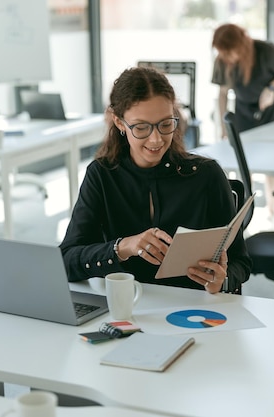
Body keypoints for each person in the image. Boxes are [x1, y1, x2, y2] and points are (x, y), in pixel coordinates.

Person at [60, 66, 252, 294]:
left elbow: (241, 262)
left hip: (194, 311)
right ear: (120, 122)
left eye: (166, 124)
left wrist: (223, 278)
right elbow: (66, 261)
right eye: (141, 127)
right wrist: (123, 247)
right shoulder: (102, 175)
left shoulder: (206, 175)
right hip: (127, 309)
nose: (156, 139)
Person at [211, 23, 274, 218]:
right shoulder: (222, 60)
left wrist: (272, 89)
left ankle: (272, 212)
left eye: (229, 52)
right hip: (244, 112)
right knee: (244, 162)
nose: (227, 57)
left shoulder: (265, 51)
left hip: (271, 109)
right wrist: (224, 126)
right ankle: (246, 213)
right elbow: (222, 93)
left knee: (272, 163)